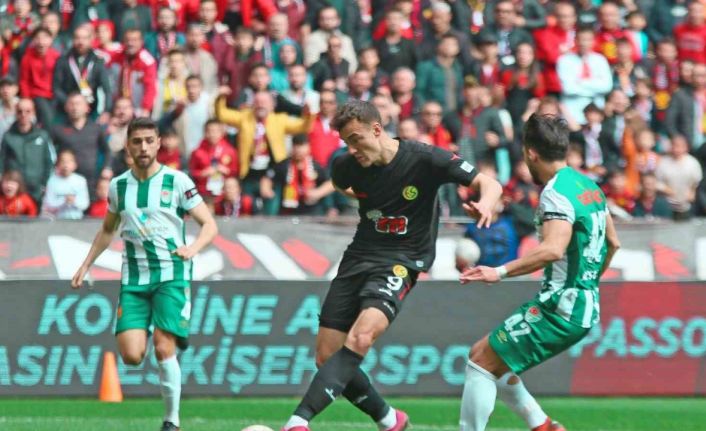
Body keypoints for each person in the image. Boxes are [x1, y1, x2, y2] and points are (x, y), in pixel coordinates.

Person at [280, 100, 503, 431]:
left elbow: (490, 184)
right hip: (359, 257)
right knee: (326, 356)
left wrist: (485, 203)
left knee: (361, 337)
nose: (352, 149)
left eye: (356, 139)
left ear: (376, 129)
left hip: (401, 261)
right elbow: (342, 184)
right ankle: (389, 419)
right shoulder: (346, 165)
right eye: (346, 142)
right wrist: (363, 198)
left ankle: (297, 422)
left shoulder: (425, 158)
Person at [458, 114, 620, 431]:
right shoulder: (589, 186)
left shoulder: (556, 192)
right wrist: (585, 283)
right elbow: (613, 243)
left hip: (561, 306)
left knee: (480, 364)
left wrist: (498, 272)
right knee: (490, 358)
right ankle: (542, 426)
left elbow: (552, 250)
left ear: (531, 153)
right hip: (582, 303)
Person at [71, 117, 218, 431]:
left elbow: (209, 224)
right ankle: (168, 326)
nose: (143, 147)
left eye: (149, 140)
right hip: (134, 279)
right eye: (137, 141)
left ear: (159, 143)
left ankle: (171, 421)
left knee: (163, 347)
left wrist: (193, 248)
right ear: (128, 146)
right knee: (132, 355)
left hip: (171, 273)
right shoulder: (118, 186)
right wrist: (86, 264)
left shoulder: (177, 181)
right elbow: (107, 229)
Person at [51, 93, 112, 200]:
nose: (75, 107)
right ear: (66, 107)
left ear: (87, 107)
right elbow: (49, 151)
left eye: (78, 104)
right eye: (71, 104)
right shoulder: (58, 129)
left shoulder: (96, 128)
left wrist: (107, 167)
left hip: (92, 181)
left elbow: (107, 150)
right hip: (67, 181)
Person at [0, 98, 55, 205]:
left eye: (27, 111)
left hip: (36, 190)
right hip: (14, 191)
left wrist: (44, 184)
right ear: (15, 113)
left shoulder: (42, 136)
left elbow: (49, 161)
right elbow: (1, 161)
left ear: (33, 113)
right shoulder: (8, 136)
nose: (23, 115)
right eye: (20, 111)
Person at [53, 24, 112, 122]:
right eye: (77, 38)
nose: (81, 42)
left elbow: (107, 89)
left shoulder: (98, 61)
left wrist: (106, 111)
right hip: (66, 110)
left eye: (84, 38)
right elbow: (56, 88)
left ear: (91, 40)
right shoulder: (63, 60)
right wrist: (69, 103)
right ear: (73, 39)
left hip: (91, 110)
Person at [41, 149, 90, 219]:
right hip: (58, 220)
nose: (66, 165)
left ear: (75, 165)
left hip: (77, 220)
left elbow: (85, 204)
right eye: (63, 161)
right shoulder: (52, 181)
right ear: (58, 164)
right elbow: (49, 204)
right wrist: (64, 200)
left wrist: (74, 201)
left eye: (69, 161)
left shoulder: (81, 181)